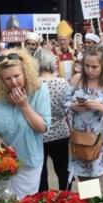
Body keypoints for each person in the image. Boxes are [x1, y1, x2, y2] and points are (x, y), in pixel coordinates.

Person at [0, 48, 51, 199]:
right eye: (7, 79)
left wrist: (24, 106)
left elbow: (43, 127)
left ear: (25, 72)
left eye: (17, 76)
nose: (14, 82)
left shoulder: (39, 89)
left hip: (27, 159)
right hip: (0, 157)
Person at [63, 46, 103, 184]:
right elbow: (64, 103)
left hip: (99, 141)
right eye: (87, 66)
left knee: (95, 180)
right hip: (78, 138)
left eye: (94, 67)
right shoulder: (76, 79)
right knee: (83, 179)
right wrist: (73, 106)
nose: (89, 70)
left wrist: (102, 108)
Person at [34, 48, 70, 191]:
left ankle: (43, 202)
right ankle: (65, 197)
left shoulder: (32, 84)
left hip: (38, 134)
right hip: (60, 133)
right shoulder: (62, 83)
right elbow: (67, 109)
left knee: (41, 172)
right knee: (63, 170)